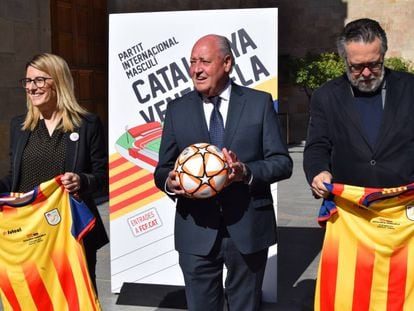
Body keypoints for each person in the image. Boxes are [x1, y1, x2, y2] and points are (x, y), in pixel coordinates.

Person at [154, 34, 292, 310]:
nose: (196, 69)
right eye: (192, 62)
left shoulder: (258, 103)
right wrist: (170, 181)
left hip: (247, 227)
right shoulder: (177, 109)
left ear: (227, 63)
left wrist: (246, 172)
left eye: (204, 61)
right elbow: (162, 169)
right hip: (195, 229)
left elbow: (282, 162)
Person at [303, 18, 414, 309]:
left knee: (401, 294)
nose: (366, 73)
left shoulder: (410, 89)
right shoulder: (327, 96)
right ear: (345, 61)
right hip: (351, 219)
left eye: (374, 64)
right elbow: (317, 146)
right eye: (356, 67)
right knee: (349, 293)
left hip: (404, 219)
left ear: (384, 56)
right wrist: (318, 172)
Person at [0, 53, 109, 292]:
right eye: (28, 81)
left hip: (69, 234)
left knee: (74, 298)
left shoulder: (86, 124)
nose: (31, 87)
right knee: (32, 298)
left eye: (39, 80)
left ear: (58, 81)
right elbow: (14, 177)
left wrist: (81, 180)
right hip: (29, 233)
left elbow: (102, 178)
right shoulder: (20, 126)